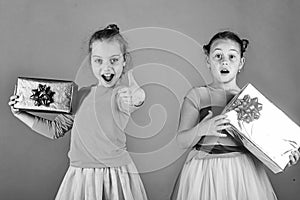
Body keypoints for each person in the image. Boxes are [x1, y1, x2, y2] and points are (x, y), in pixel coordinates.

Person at [8, 24, 148, 200]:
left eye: (114, 60)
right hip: (81, 176)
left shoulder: (121, 94)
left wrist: (137, 95)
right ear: (90, 61)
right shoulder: (80, 95)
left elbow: (136, 98)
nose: (106, 67)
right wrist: (20, 114)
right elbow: (55, 130)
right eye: (99, 60)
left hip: (115, 176)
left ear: (124, 61)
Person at [175, 31, 300, 200]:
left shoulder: (250, 100)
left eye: (231, 56)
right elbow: (181, 140)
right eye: (218, 55)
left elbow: (266, 141)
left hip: (243, 171)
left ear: (241, 63)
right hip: (205, 172)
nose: (224, 61)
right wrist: (203, 128)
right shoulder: (197, 96)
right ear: (208, 61)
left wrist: (286, 154)